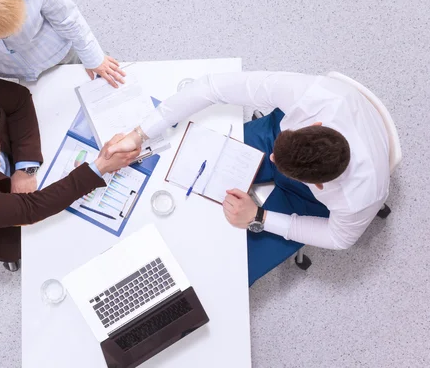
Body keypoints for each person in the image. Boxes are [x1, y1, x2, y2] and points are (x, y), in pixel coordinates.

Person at [107, 72, 390, 284]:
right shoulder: (313, 97)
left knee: (229, 270)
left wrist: (260, 217)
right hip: (278, 137)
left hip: (308, 202)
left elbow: (339, 237)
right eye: (277, 155)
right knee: (189, 158)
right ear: (312, 125)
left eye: (278, 163)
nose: (271, 161)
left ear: (318, 185)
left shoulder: (359, 197)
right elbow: (212, 87)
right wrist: (139, 133)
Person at [0, 77, 138, 266]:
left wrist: (25, 169)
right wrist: (100, 167)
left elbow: (18, 97)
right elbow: (32, 209)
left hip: (18, 166)